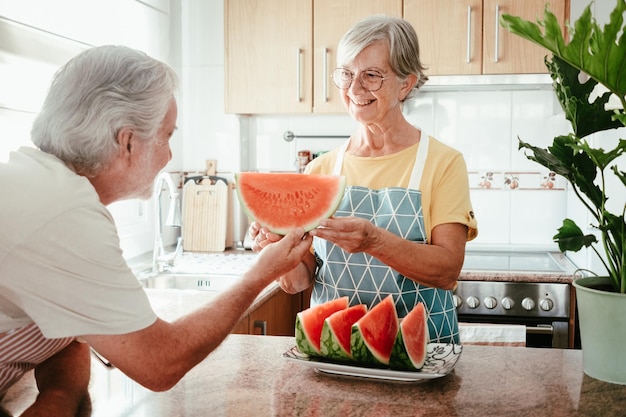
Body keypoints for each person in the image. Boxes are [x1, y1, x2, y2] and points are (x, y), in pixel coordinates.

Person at [0, 45, 312, 416]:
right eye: (166, 136)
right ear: (127, 142)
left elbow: (71, 335)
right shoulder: (62, 212)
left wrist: (58, 398)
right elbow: (160, 364)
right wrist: (258, 276)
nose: (169, 156)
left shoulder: (50, 189)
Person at [250, 15, 477, 345]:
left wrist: (375, 241)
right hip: (335, 351)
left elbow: (447, 270)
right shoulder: (320, 170)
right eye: (346, 74)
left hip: (421, 357)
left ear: (405, 83)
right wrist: (275, 247)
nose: (354, 89)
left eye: (371, 75)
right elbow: (297, 282)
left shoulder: (443, 163)